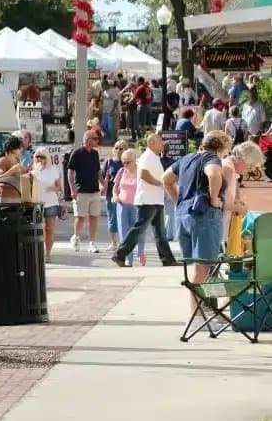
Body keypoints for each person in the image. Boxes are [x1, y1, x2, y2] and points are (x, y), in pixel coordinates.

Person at [163, 131, 229, 324]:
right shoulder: (211, 158)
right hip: (203, 216)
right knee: (203, 267)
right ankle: (196, 312)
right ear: (221, 146)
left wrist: (179, 201)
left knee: (204, 266)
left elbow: (166, 178)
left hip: (184, 216)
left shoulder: (187, 158)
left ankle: (205, 308)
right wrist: (215, 198)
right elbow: (214, 174)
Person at [111, 133, 177, 267]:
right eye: (159, 142)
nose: (162, 144)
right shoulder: (147, 156)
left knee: (160, 233)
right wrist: (161, 183)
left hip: (155, 200)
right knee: (139, 229)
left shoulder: (154, 157)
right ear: (152, 143)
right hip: (147, 200)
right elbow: (143, 175)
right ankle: (119, 254)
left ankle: (168, 260)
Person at [67, 131, 104, 254]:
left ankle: (91, 242)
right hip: (81, 191)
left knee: (94, 217)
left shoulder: (95, 154)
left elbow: (98, 171)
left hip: (95, 190)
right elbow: (70, 172)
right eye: (95, 139)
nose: (97, 141)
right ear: (87, 140)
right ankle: (76, 237)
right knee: (80, 217)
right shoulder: (77, 153)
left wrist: (103, 183)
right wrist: (72, 189)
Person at [221, 141, 264, 239]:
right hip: (216, 224)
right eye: (250, 166)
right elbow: (219, 202)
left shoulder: (231, 168)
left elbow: (233, 197)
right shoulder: (228, 168)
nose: (250, 170)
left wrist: (238, 201)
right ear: (243, 159)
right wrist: (240, 208)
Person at [112, 149, 145, 266]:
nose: (125, 165)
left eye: (128, 162)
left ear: (134, 161)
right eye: (123, 162)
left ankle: (140, 252)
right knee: (124, 233)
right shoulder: (121, 171)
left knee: (137, 232)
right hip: (122, 205)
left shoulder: (140, 172)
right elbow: (115, 187)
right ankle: (128, 260)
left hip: (136, 206)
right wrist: (115, 196)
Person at [32, 148, 62, 262]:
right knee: (39, 229)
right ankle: (39, 252)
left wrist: (52, 188)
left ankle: (48, 253)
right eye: (37, 157)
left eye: (42, 157)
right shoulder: (34, 170)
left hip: (51, 202)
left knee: (50, 229)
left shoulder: (54, 169)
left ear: (47, 157)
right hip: (38, 203)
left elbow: (59, 187)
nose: (40, 159)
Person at [102, 142, 127, 251]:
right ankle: (113, 242)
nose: (118, 150)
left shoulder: (127, 162)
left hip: (125, 193)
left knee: (124, 218)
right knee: (112, 218)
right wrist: (102, 186)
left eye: (121, 148)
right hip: (111, 193)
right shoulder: (109, 162)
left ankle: (124, 242)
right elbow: (102, 176)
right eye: (116, 148)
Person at [0, 135, 25, 202]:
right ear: (12, 149)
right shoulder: (2, 161)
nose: (21, 150)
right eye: (19, 148)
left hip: (17, 198)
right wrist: (11, 171)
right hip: (5, 199)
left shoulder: (17, 160)